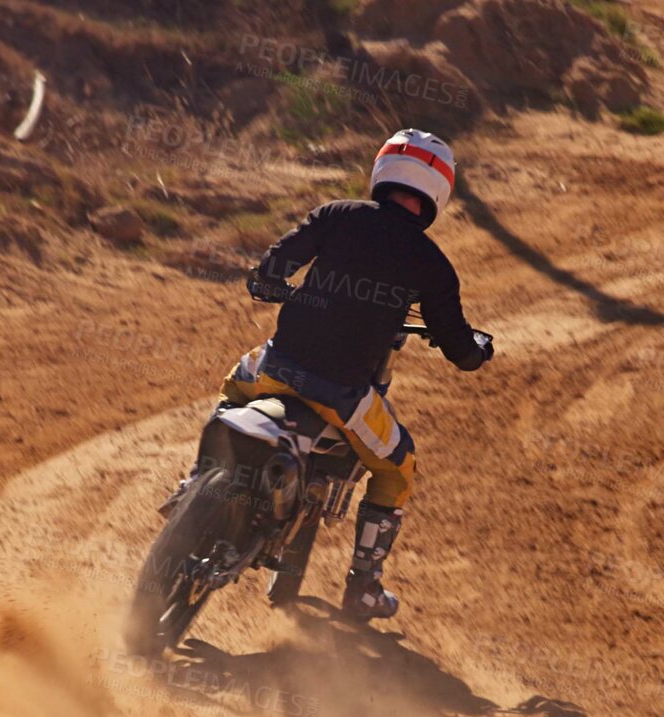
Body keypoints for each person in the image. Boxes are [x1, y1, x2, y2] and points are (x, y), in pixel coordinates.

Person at [191, 128, 493, 620]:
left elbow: (270, 270)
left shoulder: (336, 214)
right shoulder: (433, 264)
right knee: (399, 468)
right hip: (343, 395)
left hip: (274, 367)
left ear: (382, 171)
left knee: (231, 389)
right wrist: (477, 352)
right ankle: (364, 587)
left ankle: (195, 483)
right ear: (439, 191)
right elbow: (459, 348)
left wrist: (279, 289)